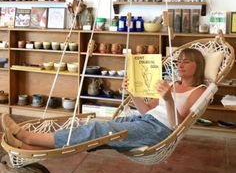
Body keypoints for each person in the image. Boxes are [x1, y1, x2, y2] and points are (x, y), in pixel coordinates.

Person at [1, 48, 206, 152]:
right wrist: (132, 92)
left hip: (160, 132)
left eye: (187, 61)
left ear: (198, 65)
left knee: (97, 132)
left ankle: (28, 138)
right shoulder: (169, 83)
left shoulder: (198, 90)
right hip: (143, 121)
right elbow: (146, 111)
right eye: (179, 61)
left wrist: (169, 100)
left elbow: (177, 126)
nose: (181, 65)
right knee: (93, 128)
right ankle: (29, 148)